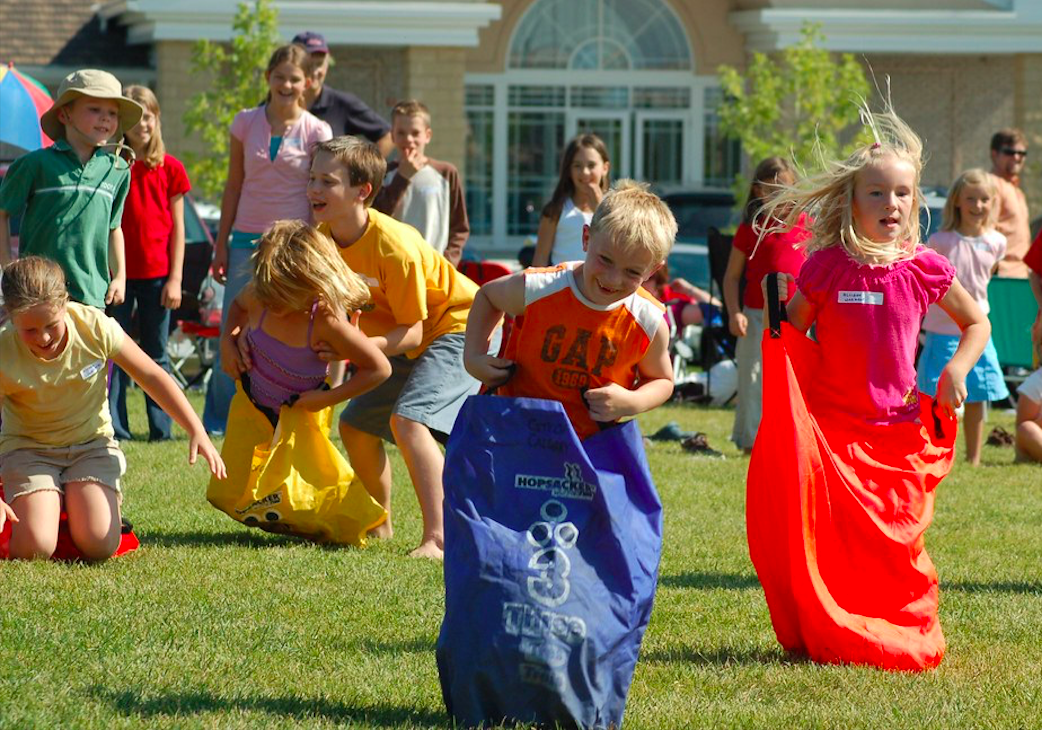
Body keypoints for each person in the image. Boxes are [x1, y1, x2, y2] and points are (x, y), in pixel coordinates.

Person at [747, 103, 991, 671]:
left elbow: (976, 322)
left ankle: (898, 627)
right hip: (833, 434)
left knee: (898, 543)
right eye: (877, 193)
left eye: (902, 194)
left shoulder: (924, 267)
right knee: (834, 543)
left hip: (895, 432)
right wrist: (779, 339)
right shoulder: (827, 268)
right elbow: (795, 337)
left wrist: (956, 369)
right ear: (852, 201)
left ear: (916, 202)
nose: (891, 204)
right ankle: (834, 624)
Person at [307, 136, 481, 559]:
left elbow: (414, 334)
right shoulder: (322, 239)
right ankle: (379, 524)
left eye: (327, 181)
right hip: (401, 340)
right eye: (311, 178)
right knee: (357, 425)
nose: (314, 189)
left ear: (362, 191)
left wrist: (355, 348)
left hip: (459, 327)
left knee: (409, 422)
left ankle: (438, 540)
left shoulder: (394, 246)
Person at [0, 256, 225, 561]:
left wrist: (195, 429)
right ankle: (44, 507)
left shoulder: (95, 327)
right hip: (29, 451)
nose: (44, 337)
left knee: (100, 544)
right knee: (35, 548)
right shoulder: (4, 348)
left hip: (90, 446)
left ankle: (72, 504)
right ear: (11, 317)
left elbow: (151, 375)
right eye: (29, 330)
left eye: (51, 324)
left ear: (65, 304)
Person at [215, 220, 392, 542]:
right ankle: (274, 515)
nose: (271, 303)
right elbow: (237, 308)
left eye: (279, 296)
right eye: (266, 292)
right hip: (254, 402)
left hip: (302, 411)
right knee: (229, 488)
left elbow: (379, 368)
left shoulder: (324, 319)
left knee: (312, 483)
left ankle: (371, 522)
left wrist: (327, 399)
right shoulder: (258, 294)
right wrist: (228, 341)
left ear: (307, 283)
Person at [464, 179, 676, 441]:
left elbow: (663, 381)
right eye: (605, 260)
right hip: (513, 431)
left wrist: (632, 401)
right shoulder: (540, 288)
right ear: (586, 238)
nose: (612, 279)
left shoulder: (648, 321)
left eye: (632, 272)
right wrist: (474, 356)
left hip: (588, 446)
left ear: (653, 270)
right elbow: (488, 296)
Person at [204, 44, 333, 435]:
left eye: (295, 78)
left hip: (292, 247)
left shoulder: (317, 131)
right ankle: (218, 419)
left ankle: (275, 413)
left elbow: (319, 194)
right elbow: (233, 185)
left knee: (280, 330)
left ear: (307, 83)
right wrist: (220, 243)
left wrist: (314, 248)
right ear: (268, 79)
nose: (286, 85)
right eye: (280, 77)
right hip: (245, 239)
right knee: (233, 327)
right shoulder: (244, 122)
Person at [0, 69, 142, 309]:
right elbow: (2, 213)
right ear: (65, 115)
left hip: (92, 294)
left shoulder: (118, 169)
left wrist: (120, 277)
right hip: (37, 292)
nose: (105, 118)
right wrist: (7, 267)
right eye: (94, 109)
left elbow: (114, 228)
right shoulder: (35, 164)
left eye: (112, 113)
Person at [108, 85, 191, 443]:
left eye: (150, 116)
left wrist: (176, 279)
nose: (144, 124)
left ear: (158, 120)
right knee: (115, 355)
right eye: (137, 117)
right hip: (117, 279)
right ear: (125, 123)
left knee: (157, 355)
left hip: (158, 277)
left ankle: (162, 429)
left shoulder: (170, 168)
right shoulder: (111, 166)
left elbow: (179, 231)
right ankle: (116, 428)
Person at [917, 170, 1008, 466]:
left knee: (978, 394)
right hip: (941, 331)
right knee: (933, 392)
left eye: (984, 199)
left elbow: (987, 274)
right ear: (957, 201)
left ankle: (974, 458)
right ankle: (935, 451)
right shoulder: (940, 241)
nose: (977, 205)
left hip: (978, 333)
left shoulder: (996, 242)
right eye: (971, 198)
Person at [723, 157, 810, 451]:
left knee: (794, 380)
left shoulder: (807, 226)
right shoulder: (751, 228)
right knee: (752, 377)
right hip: (756, 315)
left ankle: (792, 440)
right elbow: (732, 277)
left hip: (797, 317)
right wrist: (735, 313)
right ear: (759, 192)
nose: (779, 198)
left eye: (784, 190)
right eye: (771, 191)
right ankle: (750, 441)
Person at [373, 100, 470, 266]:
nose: (409, 139)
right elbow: (377, 219)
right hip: (393, 267)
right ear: (393, 136)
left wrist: (447, 262)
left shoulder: (446, 173)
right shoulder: (381, 173)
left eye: (415, 133)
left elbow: (459, 227)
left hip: (435, 269)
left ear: (428, 136)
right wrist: (402, 178)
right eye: (401, 133)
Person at [291, 31, 393, 158]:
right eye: (309, 65)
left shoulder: (342, 104)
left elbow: (387, 135)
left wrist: (363, 172)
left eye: (320, 64)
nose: (315, 71)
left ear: (327, 65)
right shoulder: (274, 106)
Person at [531, 134, 611, 268]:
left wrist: (599, 209)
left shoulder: (617, 210)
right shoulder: (555, 210)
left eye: (591, 165)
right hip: (562, 285)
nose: (585, 172)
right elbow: (540, 260)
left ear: (605, 168)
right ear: (569, 170)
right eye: (577, 166)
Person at [989, 128, 1030, 278]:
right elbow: (984, 232)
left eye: (1022, 153)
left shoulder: (1016, 189)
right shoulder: (990, 185)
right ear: (994, 154)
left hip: (1021, 275)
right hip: (1002, 276)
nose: (1017, 157)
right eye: (1010, 152)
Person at [643, 263, 721, 328]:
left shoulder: (673, 308)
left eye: (649, 277)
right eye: (634, 273)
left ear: (658, 281)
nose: (641, 281)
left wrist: (690, 289)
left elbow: (717, 308)